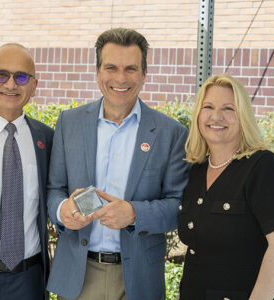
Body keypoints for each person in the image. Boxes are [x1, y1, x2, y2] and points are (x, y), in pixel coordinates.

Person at [46, 27, 190, 300]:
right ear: (98, 72)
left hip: (137, 280)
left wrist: (134, 214)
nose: (120, 78)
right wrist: (63, 210)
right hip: (78, 275)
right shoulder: (69, 123)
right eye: (111, 67)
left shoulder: (171, 133)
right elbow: (54, 189)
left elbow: (178, 207)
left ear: (144, 74)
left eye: (131, 69)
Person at [178, 73, 274, 300]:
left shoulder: (262, 166)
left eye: (228, 108)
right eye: (208, 106)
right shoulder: (196, 171)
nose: (216, 116)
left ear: (242, 115)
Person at [0, 43, 54, 300]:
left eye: (21, 77)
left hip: (29, 280)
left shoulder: (47, 139)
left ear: (34, 85)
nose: (11, 84)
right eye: (2, 75)